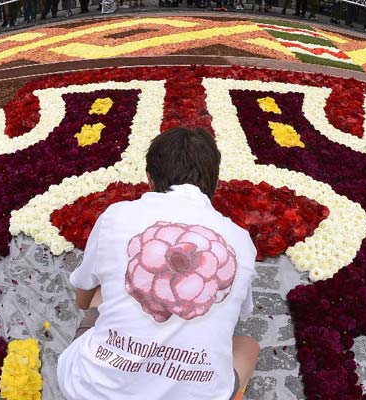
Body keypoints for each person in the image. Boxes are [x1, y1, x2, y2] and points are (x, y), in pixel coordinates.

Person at [57, 127, 260, 400]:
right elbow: (236, 314)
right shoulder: (241, 241)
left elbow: (83, 297)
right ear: (215, 181)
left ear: (150, 179)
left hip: (93, 391)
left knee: (101, 288)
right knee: (248, 347)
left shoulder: (117, 215)